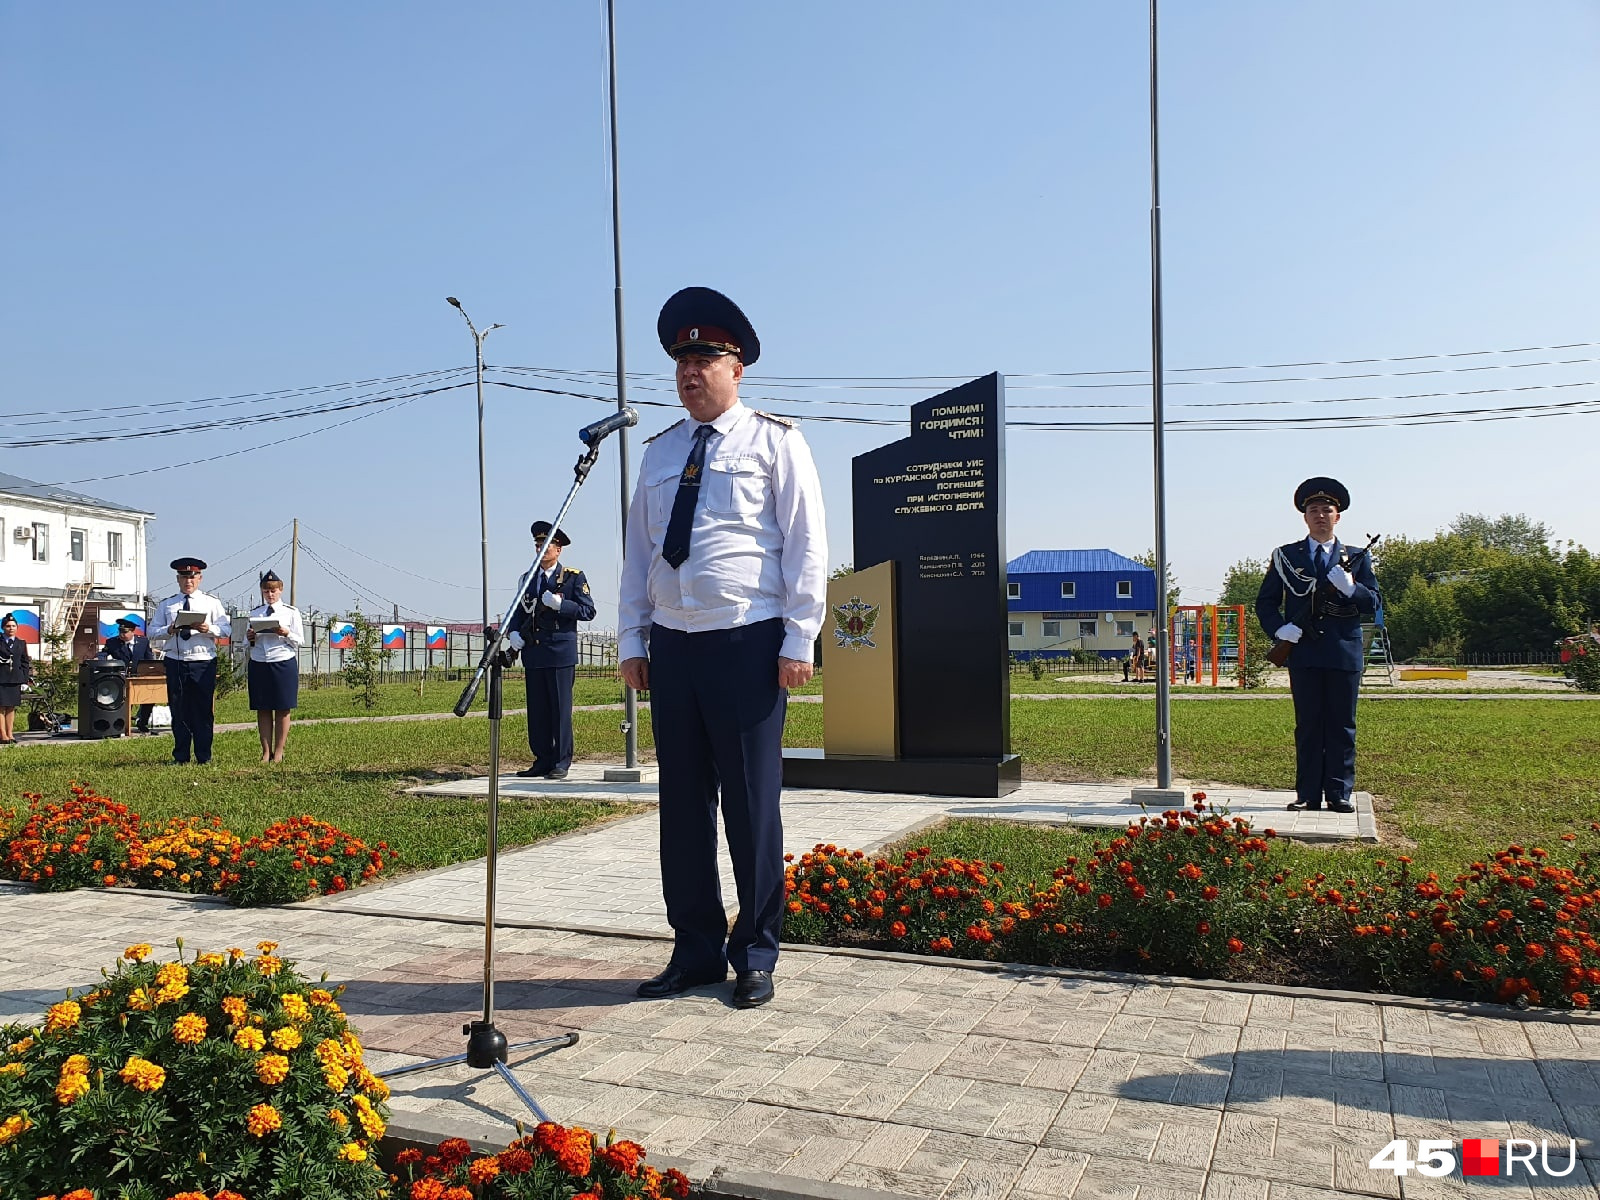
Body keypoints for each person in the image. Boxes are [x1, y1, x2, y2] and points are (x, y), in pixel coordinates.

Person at [620, 286, 827, 1010]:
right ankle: (696, 948)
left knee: (750, 806)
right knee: (681, 807)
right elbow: (637, 554)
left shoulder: (776, 441)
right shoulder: (656, 454)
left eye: (705, 356)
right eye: (682, 358)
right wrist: (631, 637)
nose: (690, 369)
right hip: (673, 646)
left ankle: (757, 952)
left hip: (749, 642)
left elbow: (805, 545)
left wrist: (800, 637)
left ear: (738, 367)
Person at [1256, 477, 1378, 814]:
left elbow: (1375, 602)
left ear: (1338, 517)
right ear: (1304, 517)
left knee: (1341, 725)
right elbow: (1265, 602)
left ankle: (1339, 792)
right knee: (1308, 724)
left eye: (1328, 510)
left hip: (1343, 652)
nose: (1321, 515)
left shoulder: (1355, 558)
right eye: (1314, 510)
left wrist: (1353, 589)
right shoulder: (1285, 556)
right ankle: (1308, 793)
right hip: (1304, 652)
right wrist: (1280, 630)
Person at [505, 521, 596, 780]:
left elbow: (588, 611)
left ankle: (561, 761)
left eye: (547, 545)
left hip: (559, 652)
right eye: (538, 545)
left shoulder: (573, 578)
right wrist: (513, 634)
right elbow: (518, 611)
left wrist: (561, 605)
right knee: (538, 710)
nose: (541, 550)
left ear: (559, 549)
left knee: (559, 709)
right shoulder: (527, 579)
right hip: (533, 652)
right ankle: (542, 759)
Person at [147, 557, 231, 765]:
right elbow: (151, 631)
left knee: (203, 710)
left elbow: (226, 629)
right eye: (184, 577)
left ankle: (204, 755)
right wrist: (168, 630)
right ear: (178, 579)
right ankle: (181, 755)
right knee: (179, 708)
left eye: (192, 577)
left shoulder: (211, 603)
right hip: (176, 660)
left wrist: (208, 629)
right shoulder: (168, 604)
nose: (188, 581)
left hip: (202, 659)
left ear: (200, 578)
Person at [245, 570, 304, 763]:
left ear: (280, 590)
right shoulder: (255, 613)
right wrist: (250, 638)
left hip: (283, 661)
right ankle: (265, 751)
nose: (270, 595)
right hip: (259, 662)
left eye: (273, 591)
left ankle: (278, 752)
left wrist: (286, 632)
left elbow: (299, 641)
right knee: (262, 708)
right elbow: (246, 643)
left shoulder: (291, 612)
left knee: (282, 707)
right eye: (266, 591)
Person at [102, 616, 155, 733]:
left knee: (149, 699)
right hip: (121, 678)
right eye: (120, 632)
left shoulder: (143, 641)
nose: (122, 635)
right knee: (125, 702)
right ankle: (123, 724)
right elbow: (103, 655)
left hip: (140, 677)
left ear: (132, 631)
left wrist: (151, 671)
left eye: (125, 632)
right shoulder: (112, 642)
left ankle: (142, 722)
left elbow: (149, 659)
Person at [0, 612, 33, 746]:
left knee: (11, 707)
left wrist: (24, 680)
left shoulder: (21, 643)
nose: (11, 628)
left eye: (13, 626)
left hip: (15, 679)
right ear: (3, 628)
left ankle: (10, 733)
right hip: (1, 678)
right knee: (1, 707)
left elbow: (25, 662)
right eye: (8, 626)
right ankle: (2, 734)